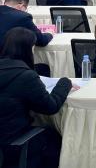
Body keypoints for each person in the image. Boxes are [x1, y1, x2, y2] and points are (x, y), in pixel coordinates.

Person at [0, 27, 73, 168]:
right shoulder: (25, 76)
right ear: (27, 50)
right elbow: (51, 106)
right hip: (12, 140)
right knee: (56, 136)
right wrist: (65, 82)